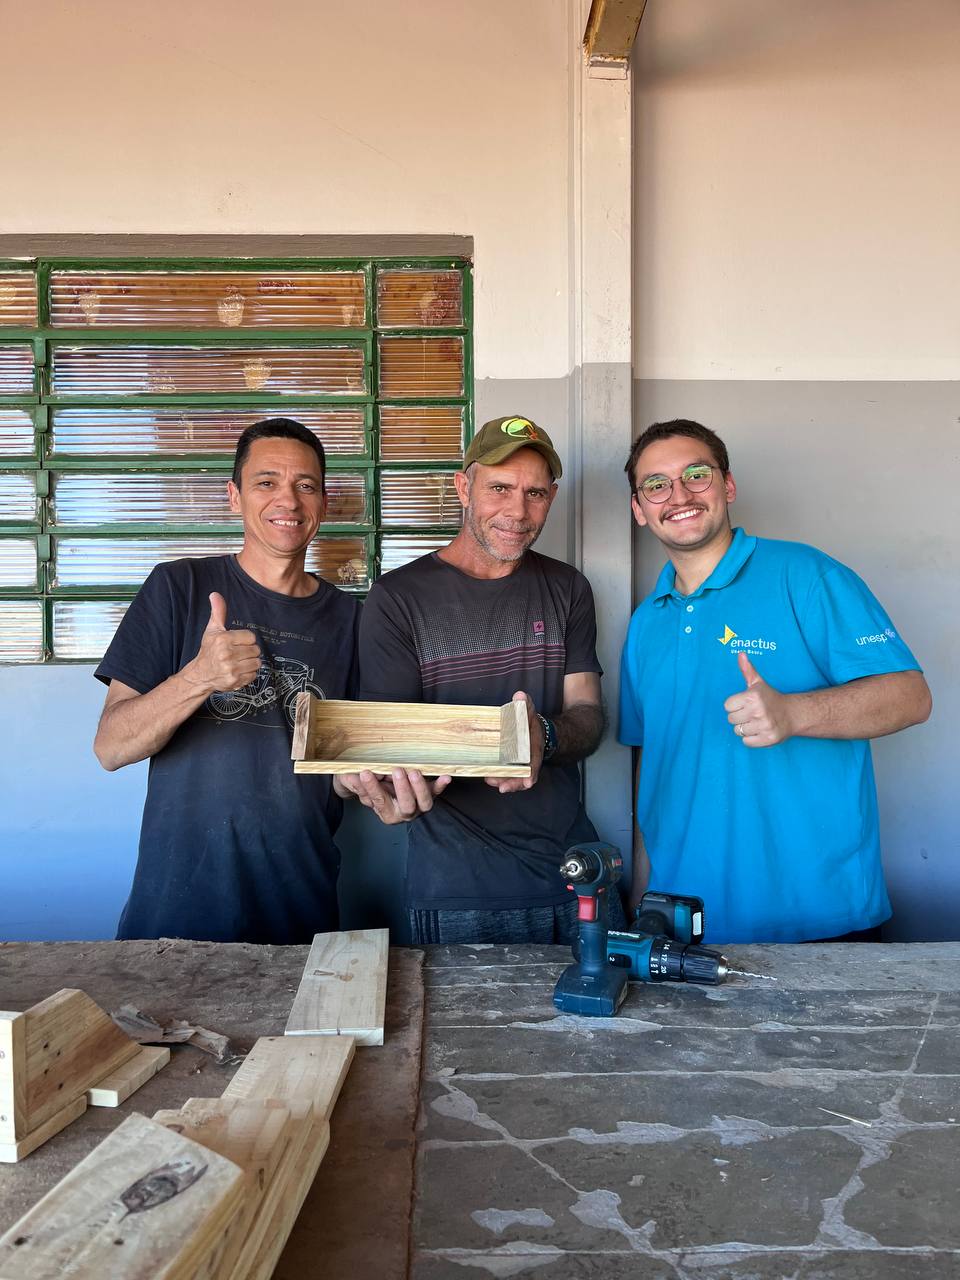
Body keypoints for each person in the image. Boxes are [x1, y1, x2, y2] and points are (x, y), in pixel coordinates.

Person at [619, 418, 932, 943]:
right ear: (639, 509)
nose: (679, 495)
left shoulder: (806, 575)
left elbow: (912, 696)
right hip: (682, 917)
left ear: (727, 486)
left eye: (696, 475)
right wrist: (644, 890)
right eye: (656, 485)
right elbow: (652, 759)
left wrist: (794, 713)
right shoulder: (646, 621)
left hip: (816, 913)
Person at [344, 415, 621, 945]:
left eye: (535, 493)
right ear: (463, 487)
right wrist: (385, 787)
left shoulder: (569, 589)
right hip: (458, 888)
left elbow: (588, 715)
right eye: (500, 488)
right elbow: (388, 744)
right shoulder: (397, 599)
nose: (517, 511)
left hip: (576, 875)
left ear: (551, 497)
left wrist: (543, 736)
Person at [93, 417, 360, 944]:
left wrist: (373, 785)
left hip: (300, 907)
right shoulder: (178, 587)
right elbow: (111, 747)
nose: (288, 500)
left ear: (324, 504)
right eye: (266, 482)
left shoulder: (353, 620)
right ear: (234, 496)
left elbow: (341, 769)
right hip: (175, 909)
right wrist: (198, 677)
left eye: (306, 485)